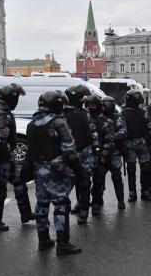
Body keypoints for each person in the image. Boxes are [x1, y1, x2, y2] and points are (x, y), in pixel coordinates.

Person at [26, 91, 82, 255]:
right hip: (56, 171)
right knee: (61, 205)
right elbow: (69, 150)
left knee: (42, 204)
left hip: (39, 170)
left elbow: (31, 151)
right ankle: (63, 244)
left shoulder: (32, 123)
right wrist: (81, 172)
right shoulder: (58, 122)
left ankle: (43, 239)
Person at [0, 84, 35, 231]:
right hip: (2, 158)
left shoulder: (2, 110)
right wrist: (8, 156)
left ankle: (26, 214)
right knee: (0, 190)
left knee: (20, 183)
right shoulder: (1, 113)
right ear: (11, 98)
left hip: (5, 157)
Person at [63, 85, 98, 224]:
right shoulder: (62, 114)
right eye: (81, 97)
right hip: (70, 155)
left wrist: (96, 146)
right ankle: (69, 210)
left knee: (84, 182)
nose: (83, 100)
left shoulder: (85, 113)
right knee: (69, 184)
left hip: (84, 153)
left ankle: (83, 210)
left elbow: (92, 131)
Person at [121, 90, 151, 202]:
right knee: (131, 169)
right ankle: (133, 193)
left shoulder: (143, 112)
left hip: (142, 142)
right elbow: (120, 130)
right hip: (129, 143)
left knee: (145, 168)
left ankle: (145, 191)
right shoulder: (123, 113)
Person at [85, 95, 116, 215]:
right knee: (83, 182)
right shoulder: (84, 118)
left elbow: (110, 140)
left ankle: (96, 203)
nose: (89, 108)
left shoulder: (106, 121)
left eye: (92, 105)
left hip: (99, 155)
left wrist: (103, 155)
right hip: (85, 155)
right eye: (88, 105)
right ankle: (82, 203)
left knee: (98, 181)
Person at [94, 96, 126, 210]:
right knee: (99, 178)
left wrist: (113, 136)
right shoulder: (98, 118)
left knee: (117, 177)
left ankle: (121, 200)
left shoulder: (117, 117)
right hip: (101, 151)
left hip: (115, 152)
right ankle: (97, 201)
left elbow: (123, 131)